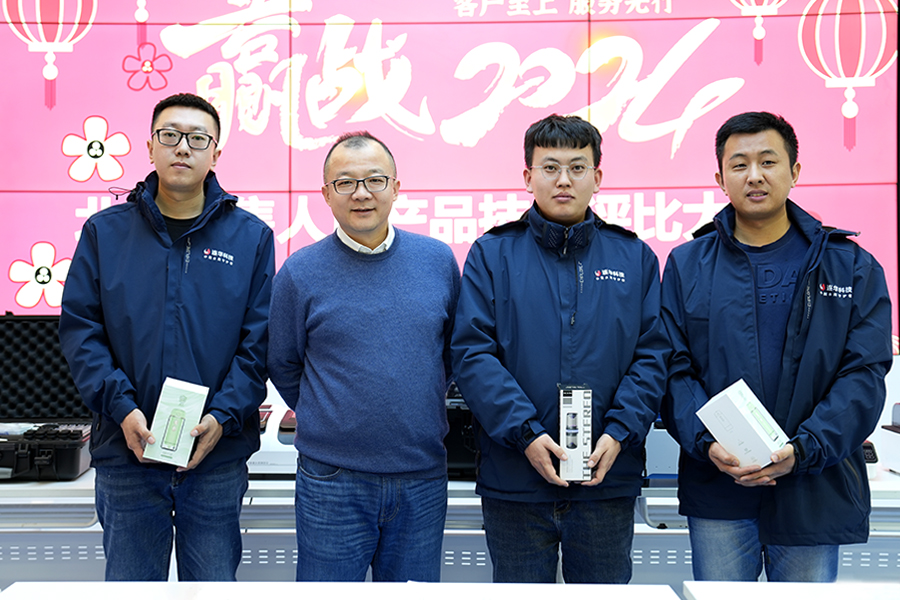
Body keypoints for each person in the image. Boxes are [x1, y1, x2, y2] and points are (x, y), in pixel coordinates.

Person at [661, 111, 892, 582]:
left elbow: (864, 374)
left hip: (814, 485)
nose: (755, 175)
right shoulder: (687, 265)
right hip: (720, 487)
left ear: (794, 171)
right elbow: (672, 369)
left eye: (768, 161)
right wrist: (707, 443)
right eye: (739, 164)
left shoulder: (849, 265)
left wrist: (805, 449)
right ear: (720, 179)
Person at [59, 93, 275, 581]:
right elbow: (81, 332)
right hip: (126, 453)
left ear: (216, 153)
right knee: (131, 589)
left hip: (216, 456)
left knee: (213, 588)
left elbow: (258, 343)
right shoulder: (104, 233)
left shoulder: (251, 237)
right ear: (150, 146)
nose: (183, 147)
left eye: (198, 139)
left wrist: (222, 417)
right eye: (170, 135)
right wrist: (123, 409)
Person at [450, 114, 668, 583]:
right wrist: (525, 434)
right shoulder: (492, 254)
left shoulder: (634, 257)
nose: (564, 180)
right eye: (550, 167)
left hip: (606, 476)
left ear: (598, 176)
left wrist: (619, 432)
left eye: (577, 167)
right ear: (528, 176)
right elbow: (472, 354)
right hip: (516, 478)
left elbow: (653, 356)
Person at [267, 131, 460, 582]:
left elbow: (451, 353)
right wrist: (329, 414)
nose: (361, 193)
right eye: (346, 182)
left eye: (375, 180)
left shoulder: (437, 260)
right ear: (325, 194)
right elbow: (282, 362)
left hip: (420, 477)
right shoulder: (299, 271)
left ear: (396, 187)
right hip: (331, 480)